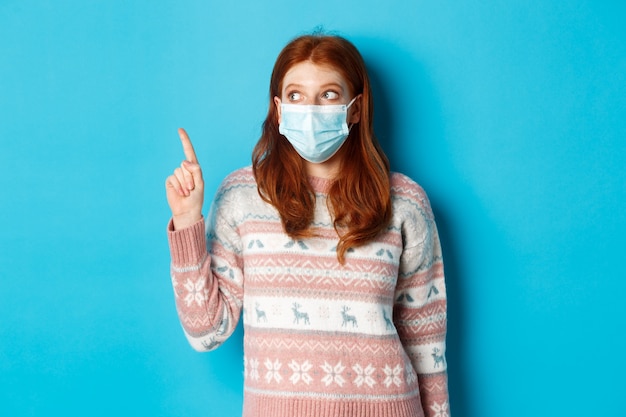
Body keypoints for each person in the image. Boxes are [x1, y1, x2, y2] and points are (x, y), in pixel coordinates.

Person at [165, 33, 450, 417]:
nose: (310, 109)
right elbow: (206, 331)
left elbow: (426, 343)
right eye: (296, 95)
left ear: (355, 108)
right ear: (279, 109)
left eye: (329, 94)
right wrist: (186, 223)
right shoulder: (242, 196)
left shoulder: (404, 202)